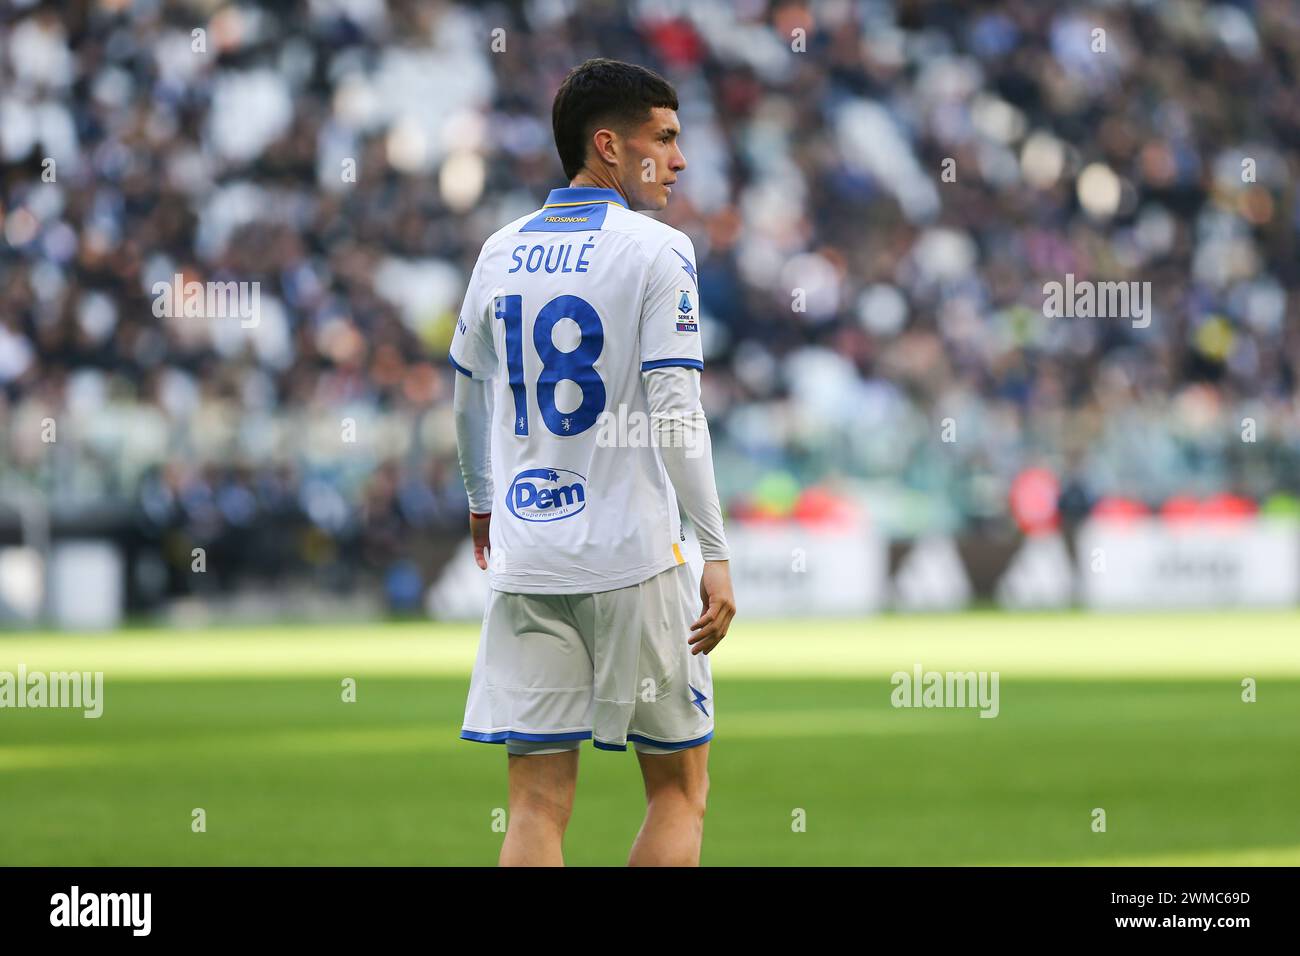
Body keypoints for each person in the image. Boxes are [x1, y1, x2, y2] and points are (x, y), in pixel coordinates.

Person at [450, 57, 735, 866]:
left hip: (528, 555)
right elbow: (678, 415)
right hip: (633, 560)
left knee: (536, 806)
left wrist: (482, 502)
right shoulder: (657, 250)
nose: (679, 160)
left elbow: (468, 394)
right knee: (679, 792)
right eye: (665, 139)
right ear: (608, 146)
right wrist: (715, 551)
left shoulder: (498, 251)